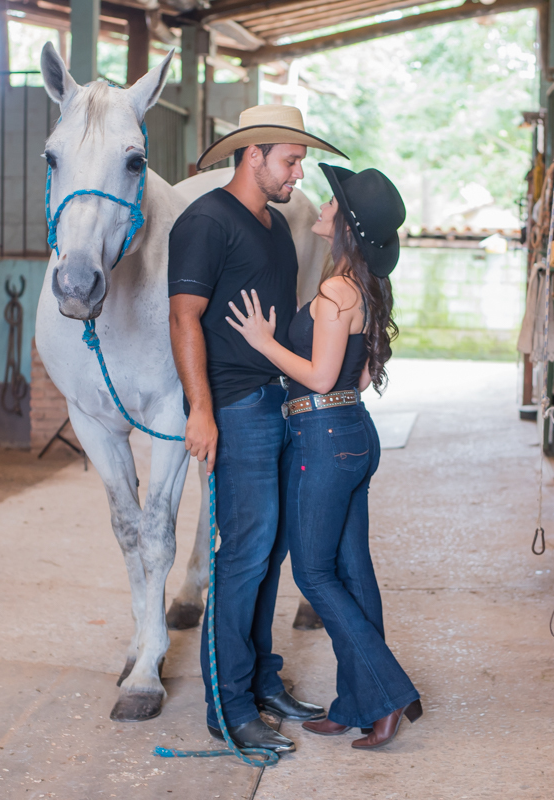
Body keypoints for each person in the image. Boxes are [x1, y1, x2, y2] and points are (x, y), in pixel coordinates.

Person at [167, 105, 347, 755]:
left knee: (269, 553)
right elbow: (184, 319)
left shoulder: (273, 227)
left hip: (276, 401)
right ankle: (228, 705)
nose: (299, 172)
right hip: (235, 407)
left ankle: (260, 680)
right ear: (254, 157)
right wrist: (200, 409)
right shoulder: (206, 222)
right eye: (290, 161)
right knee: (242, 555)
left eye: (299, 162)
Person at [225, 164, 422, 750]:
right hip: (350, 433)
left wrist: (265, 343)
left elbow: (319, 374)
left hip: (324, 439)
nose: (323, 206)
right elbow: (357, 380)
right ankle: (361, 704)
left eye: (333, 203)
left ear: (345, 226)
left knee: (313, 571)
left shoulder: (337, 291)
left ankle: (389, 691)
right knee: (351, 570)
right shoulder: (358, 287)